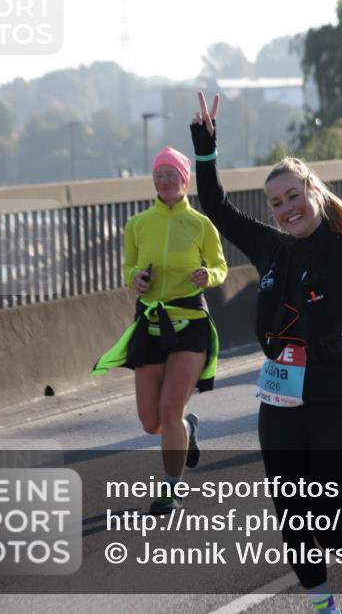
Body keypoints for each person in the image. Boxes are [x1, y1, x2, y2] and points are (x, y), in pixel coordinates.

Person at [192, 87, 342, 614]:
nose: (285, 210)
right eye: (276, 203)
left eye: (292, 197)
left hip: (339, 391)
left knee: (328, 508)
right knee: (292, 511)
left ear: (314, 193)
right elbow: (215, 206)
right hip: (281, 395)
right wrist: (205, 149)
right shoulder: (270, 247)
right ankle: (323, 605)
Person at [92, 146, 228, 515]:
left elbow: (220, 266)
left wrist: (208, 275)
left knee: (169, 408)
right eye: (159, 175)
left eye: (172, 175)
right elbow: (127, 268)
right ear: (153, 181)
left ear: (185, 180)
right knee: (150, 420)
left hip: (190, 324)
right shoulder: (137, 224)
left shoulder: (201, 224)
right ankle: (186, 427)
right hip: (150, 322)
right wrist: (134, 278)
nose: (165, 181)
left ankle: (171, 490)